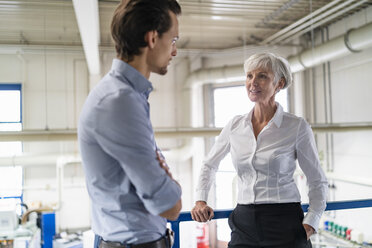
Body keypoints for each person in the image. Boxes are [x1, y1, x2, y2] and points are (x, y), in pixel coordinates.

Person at [191, 53, 328, 248]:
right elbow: (209, 164)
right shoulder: (235, 126)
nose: (253, 82)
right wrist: (200, 200)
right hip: (244, 222)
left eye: (262, 76)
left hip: (285, 222)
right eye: (249, 76)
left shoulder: (297, 127)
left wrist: (311, 223)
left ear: (279, 84)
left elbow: (317, 180)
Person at [78, 1, 182, 248]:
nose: (175, 51)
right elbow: (170, 206)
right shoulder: (119, 102)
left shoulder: (127, 96)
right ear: (152, 39)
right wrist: (173, 187)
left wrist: (166, 182)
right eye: (174, 40)